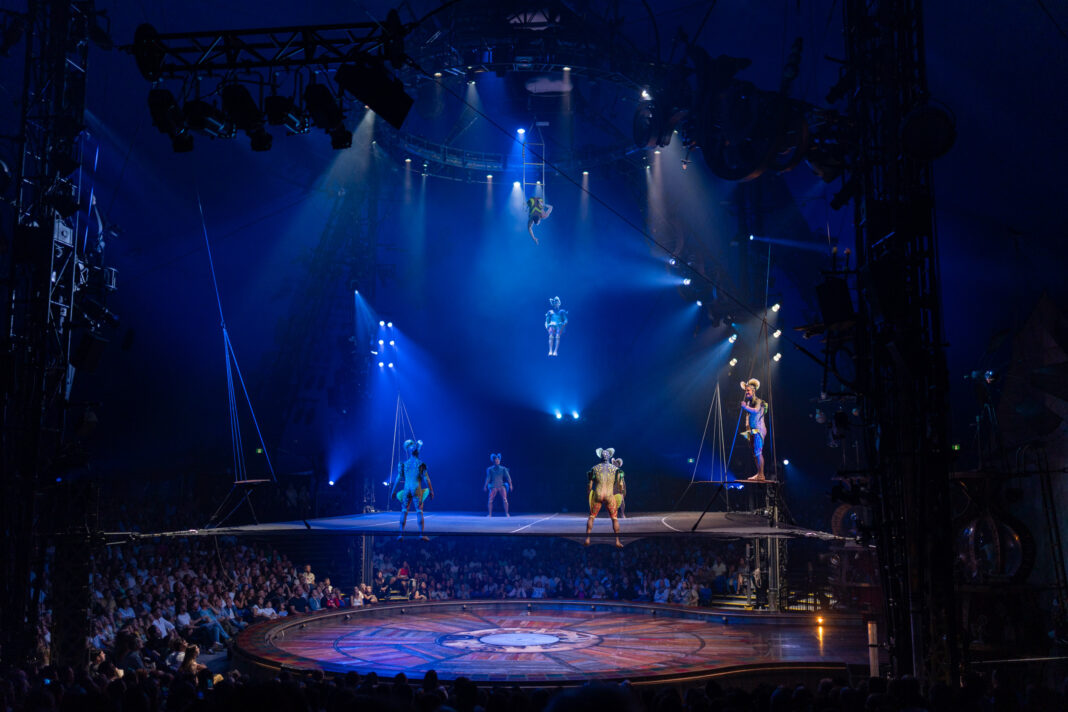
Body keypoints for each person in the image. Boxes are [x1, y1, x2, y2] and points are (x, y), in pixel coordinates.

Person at [391, 439, 434, 540]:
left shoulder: (404, 464)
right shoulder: (420, 464)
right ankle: (421, 534)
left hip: (407, 489)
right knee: (419, 510)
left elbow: (398, 478)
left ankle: (401, 534)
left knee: (404, 510)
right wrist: (431, 490)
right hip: (416, 489)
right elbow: (426, 478)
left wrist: (393, 491)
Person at [585, 447, 623, 548]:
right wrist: (620, 492)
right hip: (609, 496)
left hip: (598, 495)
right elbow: (620, 484)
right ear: (609, 457)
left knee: (591, 516)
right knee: (614, 518)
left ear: (600, 457)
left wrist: (588, 494)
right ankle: (617, 541)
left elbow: (589, 485)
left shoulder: (594, 468)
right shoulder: (616, 469)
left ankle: (587, 539)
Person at [739, 378, 769, 481]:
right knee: (755, 454)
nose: (746, 392)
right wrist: (747, 430)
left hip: (758, 429)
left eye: (748, 390)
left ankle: (761, 475)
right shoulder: (748, 403)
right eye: (746, 391)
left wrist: (745, 407)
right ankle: (758, 473)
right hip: (752, 430)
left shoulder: (759, 401)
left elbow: (756, 411)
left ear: (753, 391)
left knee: (758, 452)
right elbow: (748, 418)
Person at [484, 453, 513, 517]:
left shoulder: (503, 468)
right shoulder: (490, 469)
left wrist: (510, 485)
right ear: (493, 461)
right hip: (493, 486)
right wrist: (485, 485)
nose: (497, 461)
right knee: (490, 500)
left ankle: (507, 513)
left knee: (505, 499)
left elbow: (508, 477)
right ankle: (490, 514)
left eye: (498, 460)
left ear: (499, 460)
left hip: (501, 486)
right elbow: (488, 478)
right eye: (496, 460)